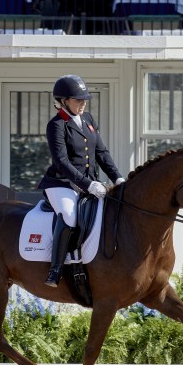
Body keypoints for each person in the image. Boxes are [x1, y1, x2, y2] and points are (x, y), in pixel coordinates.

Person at [37, 74, 125, 288]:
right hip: (61, 184)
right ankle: (55, 269)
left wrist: (117, 177)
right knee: (69, 215)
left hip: (90, 183)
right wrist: (88, 184)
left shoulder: (88, 120)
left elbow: (101, 153)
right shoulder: (56, 125)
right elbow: (61, 162)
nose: (83, 103)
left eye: (84, 99)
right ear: (64, 101)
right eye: (78, 100)